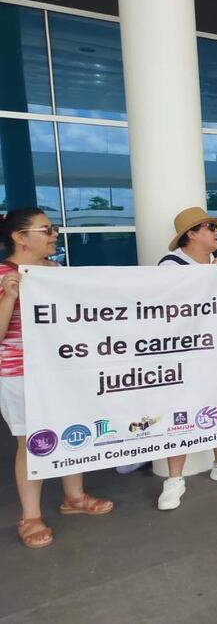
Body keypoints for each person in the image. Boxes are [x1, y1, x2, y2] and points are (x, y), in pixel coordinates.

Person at [0, 209, 114, 548]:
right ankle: (30, 516)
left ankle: (74, 497)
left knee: (72, 429)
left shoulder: (56, 272)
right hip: (19, 373)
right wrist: (9, 296)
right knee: (30, 443)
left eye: (54, 228)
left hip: (63, 369)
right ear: (20, 237)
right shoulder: (4, 274)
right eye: (47, 229)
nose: (54, 235)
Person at [157, 207, 217, 511]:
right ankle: (174, 479)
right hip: (181, 353)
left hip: (214, 350)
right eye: (210, 227)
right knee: (179, 410)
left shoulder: (216, 264)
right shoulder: (170, 266)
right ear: (192, 234)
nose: (216, 232)